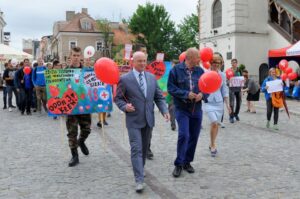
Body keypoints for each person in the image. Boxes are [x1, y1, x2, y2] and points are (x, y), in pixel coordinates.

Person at [115, 51, 169, 193]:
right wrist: (124, 106)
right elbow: (118, 98)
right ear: (133, 62)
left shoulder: (151, 77)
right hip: (133, 120)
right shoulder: (125, 79)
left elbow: (159, 97)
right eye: (140, 61)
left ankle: (140, 167)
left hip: (148, 119)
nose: (143, 64)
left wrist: (164, 110)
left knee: (144, 149)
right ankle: (139, 179)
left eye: (145, 61)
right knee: (136, 149)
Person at [167, 48, 208, 178]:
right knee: (184, 135)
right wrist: (186, 94)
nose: (200, 60)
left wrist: (202, 94)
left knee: (194, 136)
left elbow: (207, 87)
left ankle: (187, 162)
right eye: (198, 57)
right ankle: (178, 164)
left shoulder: (200, 71)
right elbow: (171, 88)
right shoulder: (176, 70)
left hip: (196, 109)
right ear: (190, 58)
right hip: (182, 108)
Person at [65, 47, 92, 167]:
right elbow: (58, 88)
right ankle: (74, 155)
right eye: (74, 55)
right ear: (70, 56)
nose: (76, 58)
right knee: (72, 132)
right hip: (71, 106)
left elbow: (93, 86)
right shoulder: (64, 71)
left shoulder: (86, 71)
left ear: (81, 56)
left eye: (78, 55)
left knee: (86, 129)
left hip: (84, 105)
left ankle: (81, 141)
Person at [203, 54, 231, 157]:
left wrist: (228, 105)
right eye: (214, 62)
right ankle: (213, 144)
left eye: (218, 63)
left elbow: (224, 89)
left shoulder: (222, 75)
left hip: (219, 102)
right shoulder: (205, 72)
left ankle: (212, 143)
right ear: (210, 63)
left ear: (221, 64)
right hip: (208, 101)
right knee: (214, 122)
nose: (216, 65)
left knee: (216, 124)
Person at [228, 58, 242, 123]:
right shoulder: (228, 71)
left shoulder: (239, 70)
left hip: (238, 89)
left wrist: (243, 81)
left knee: (239, 103)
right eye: (232, 63)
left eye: (235, 63)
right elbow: (226, 80)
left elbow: (242, 78)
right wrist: (229, 82)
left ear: (236, 63)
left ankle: (236, 114)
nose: (233, 64)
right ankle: (231, 116)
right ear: (231, 63)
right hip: (231, 89)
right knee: (231, 103)